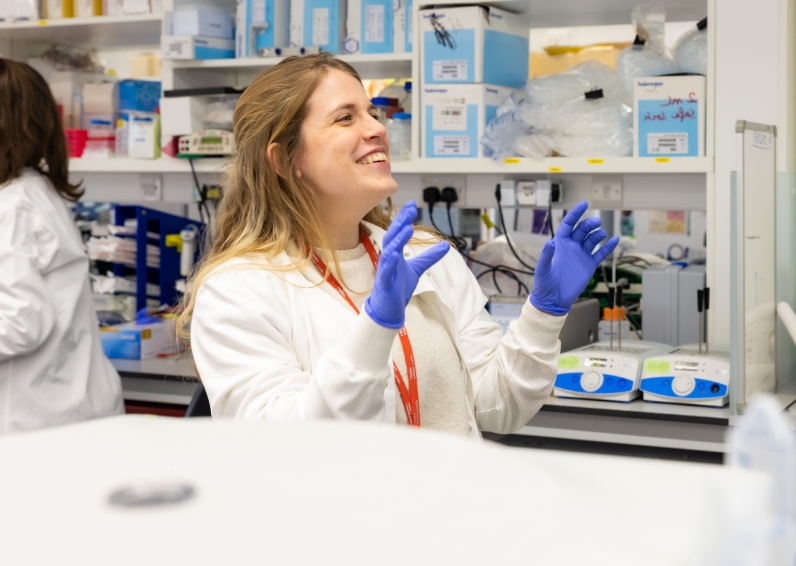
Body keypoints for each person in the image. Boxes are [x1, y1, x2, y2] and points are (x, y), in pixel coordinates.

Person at [182, 53, 618, 439]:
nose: (377, 128)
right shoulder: (238, 290)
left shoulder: (426, 256)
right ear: (284, 160)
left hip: (452, 518)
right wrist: (375, 327)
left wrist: (544, 313)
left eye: (371, 112)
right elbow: (284, 445)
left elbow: (497, 405)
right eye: (345, 117)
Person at [0, 58, 123, 433]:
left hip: (34, 422)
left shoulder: (12, 205)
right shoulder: (35, 191)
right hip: (73, 411)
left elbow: (19, 323)